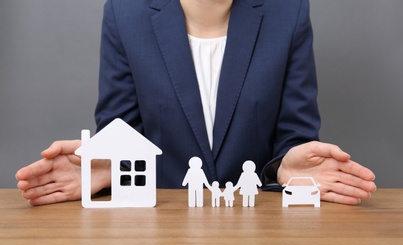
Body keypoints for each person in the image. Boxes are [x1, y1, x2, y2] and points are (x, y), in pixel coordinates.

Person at [15, 0, 376, 206]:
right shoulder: (125, 14)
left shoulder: (289, 13)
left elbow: (294, 136)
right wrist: (109, 168)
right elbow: (121, 132)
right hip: (158, 226)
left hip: (256, 229)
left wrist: (283, 169)